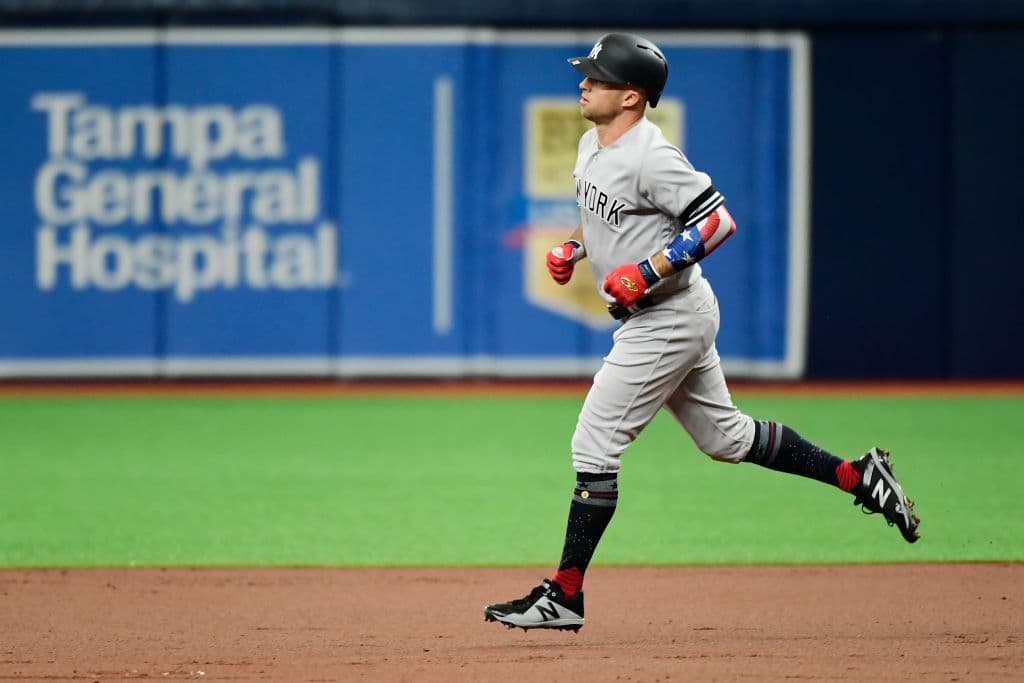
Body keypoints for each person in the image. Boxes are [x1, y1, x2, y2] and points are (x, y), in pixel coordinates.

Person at [483, 32, 920, 633]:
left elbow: (717, 221)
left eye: (598, 76)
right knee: (728, 439)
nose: (583, 82)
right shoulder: (591, 142)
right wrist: (576, 247)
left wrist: (651, 269)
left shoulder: (651, 155)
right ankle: (859, 475)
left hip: (667, 317)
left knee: (594, 445)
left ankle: (565, 594)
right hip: (669, 314)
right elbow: (616, 223)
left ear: (632, 97)